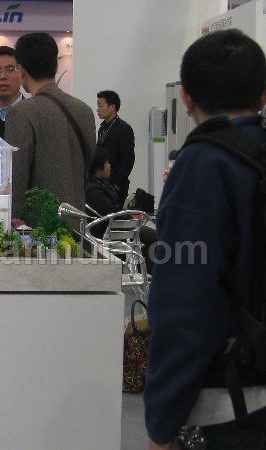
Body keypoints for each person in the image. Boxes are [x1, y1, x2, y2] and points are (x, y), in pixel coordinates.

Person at [144, 29, 266, 449]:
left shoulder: (202, 166)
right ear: (263, 94)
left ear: (187, 98)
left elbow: (184, 304)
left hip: (236, 401)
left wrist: (162, 423)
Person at [5, 33, 96, 222]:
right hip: (76, 221)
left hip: (38, 227)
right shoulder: (84, 110)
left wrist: (10, 220)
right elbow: (86, 166)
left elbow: (16, 178)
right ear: (55, 66)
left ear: (22, 70)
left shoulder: (21, 113)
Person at [86, 147, 156, 273]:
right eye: (107, 162)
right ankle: (149, 274)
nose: (110, 166)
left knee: (151, 237)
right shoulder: (94, 190)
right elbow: (112, 213)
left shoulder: (102, 184)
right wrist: (132, 218)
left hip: (117, 228)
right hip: (110, 233)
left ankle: (143, 271)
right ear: (98, 166)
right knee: (154, 237)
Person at [96, 90, 135, 203]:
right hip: (102, 182)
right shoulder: (102, 128)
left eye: (100, 106)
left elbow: (128, 159)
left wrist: (117, 183)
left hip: (115, 185)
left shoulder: (124, 129)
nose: (97, 109)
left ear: (112, 107)